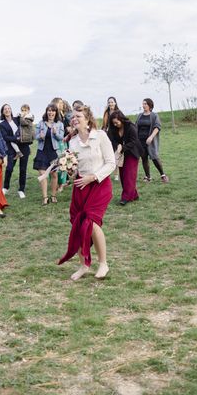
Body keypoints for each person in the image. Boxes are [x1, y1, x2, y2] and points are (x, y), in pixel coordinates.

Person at [58, 105, 116, 281]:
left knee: (91, 222)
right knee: (77, 224)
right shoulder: (73, 142)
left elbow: (111, 163)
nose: (74, 119)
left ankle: (103, 263)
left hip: (99, 184)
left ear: (88, 118)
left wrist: (93, 177)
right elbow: (75, 167)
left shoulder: (101, 136)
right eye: (72, 117)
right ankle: (84, 265)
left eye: (78, 116)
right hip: (80, 186)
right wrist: (69, 172)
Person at [108, 110, 143, 205]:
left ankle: (125, 198)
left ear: (121, 119)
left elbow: (134, 141)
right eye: (113, 123)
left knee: (129, 175)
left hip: (132, 152)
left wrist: (123, 147)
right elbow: (111, 139)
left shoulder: (131, 127)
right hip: (121, 154)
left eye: (117, 122)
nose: (115, 125)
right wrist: (117, 146)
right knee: (123, 176)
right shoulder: (113, 128)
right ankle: (134, 194)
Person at [33, 104, 65, 204]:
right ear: (46, 112)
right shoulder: (41, 123)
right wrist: (40, 136)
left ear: (56, 113)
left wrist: (55, 133)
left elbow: (61, 138)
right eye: (49, 111)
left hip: (53, 151)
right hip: (42, 151)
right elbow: (35, 136)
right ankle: (45, 197)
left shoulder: (59, 124)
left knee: (54, 174)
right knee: (43, 175)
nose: (50, 113)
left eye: (53, 111)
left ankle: (53, 195)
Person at [0, 104, 31, 199]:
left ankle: (21, 189)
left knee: (23, 169)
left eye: (9, 108)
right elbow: (5, 137)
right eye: (5, 109)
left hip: (24, 147)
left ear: (11, 110)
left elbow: (27, 123)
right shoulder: (2, 124)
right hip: (12, 148)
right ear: (3, 112)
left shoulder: (17, 119)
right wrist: (16, 138)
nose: (7, 110)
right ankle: (5, 187)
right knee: (9, 168)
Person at [135, 98, 169, 183]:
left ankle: (163, 175)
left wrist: (151, 137)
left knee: (154, 157)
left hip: (150, 141)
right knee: (144, 158)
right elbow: (136, 126)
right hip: (140, 141)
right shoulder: (139, 115)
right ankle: (148, 176)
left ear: (150, 105)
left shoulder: (154, 115)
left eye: (145, 104)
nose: (143, 105)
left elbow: (157, 127)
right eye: (143, 104)